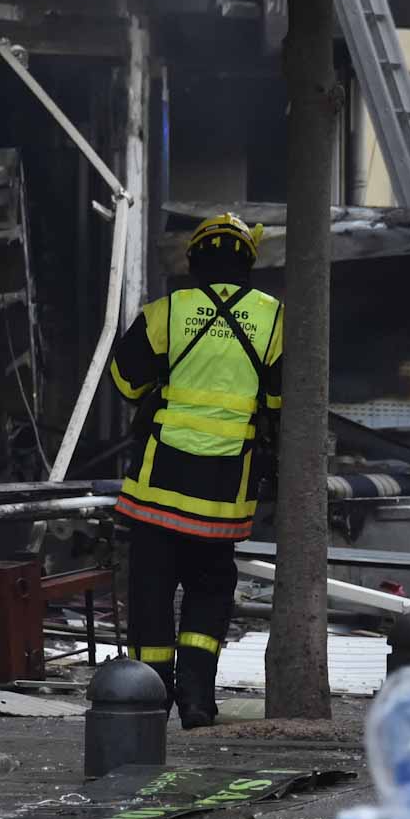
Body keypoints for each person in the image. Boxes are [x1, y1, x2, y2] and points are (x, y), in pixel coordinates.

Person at [107, 212, 283, 728]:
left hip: (158, 489)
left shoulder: (167, 312)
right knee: (209, 594)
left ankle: (148, 701)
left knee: (151, 594)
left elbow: (124, 381)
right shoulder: (275, 319)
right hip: (222, 495)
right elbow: (280, 401)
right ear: (248, 262)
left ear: (195, 260)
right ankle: (198, 700)